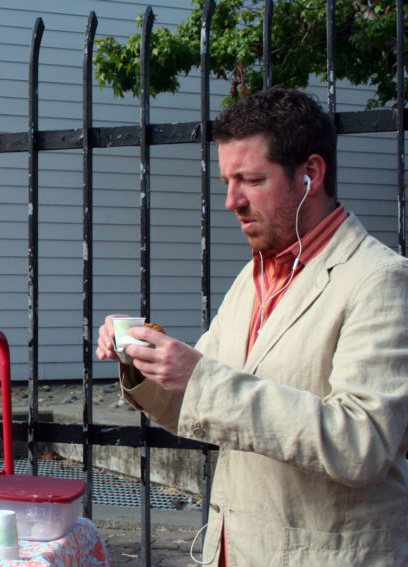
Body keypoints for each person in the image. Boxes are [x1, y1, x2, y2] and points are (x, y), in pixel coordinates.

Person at [96, 87, 408, 565]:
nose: (230, 201)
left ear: (310, 174)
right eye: (227, 180)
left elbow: (361, 443)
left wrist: (199, 376)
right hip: (236, 550)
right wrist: (141, 359)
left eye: (251, 180)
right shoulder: (256, 274)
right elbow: (200, 406)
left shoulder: (380, 279)